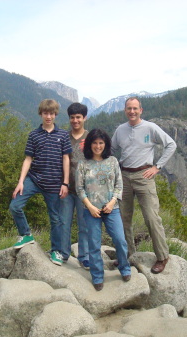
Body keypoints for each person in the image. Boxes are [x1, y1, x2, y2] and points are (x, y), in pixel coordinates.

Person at [111, 97, 177, 274]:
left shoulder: (150, 128)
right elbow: (111, 149)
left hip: (144, 175)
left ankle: (162, 257)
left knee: (151, 217)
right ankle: (127, 255)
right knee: (124, 219)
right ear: (125, 110)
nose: (132, 112)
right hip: (124, 176)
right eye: (128, 109)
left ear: (141, 110)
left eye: (135, 108)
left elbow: (171, 144)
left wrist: (157, 167)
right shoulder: (120, 130)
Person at [9, 99, 72, 266]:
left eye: (51, 113)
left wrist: (65, 183)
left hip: (54, 183)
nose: (49, 116)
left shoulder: (63, 135)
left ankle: (56, 251)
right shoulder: (34, 135)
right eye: (46, 113)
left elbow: (66, 159)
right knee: (15, 206)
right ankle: (26, 234)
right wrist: (20, 182)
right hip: (34, 179)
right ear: (41, 114)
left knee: (55, 219)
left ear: (55, 114)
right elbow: (28, 159)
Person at [76, 128, 131, 291]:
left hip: (111, 209)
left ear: (105, 144)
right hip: (91, 210)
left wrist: (112, 201)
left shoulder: (113, 161)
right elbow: (79, 189)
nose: (98, 146)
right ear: (89, 144)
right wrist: (90, 206)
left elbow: (119, 185)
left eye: (101, 143)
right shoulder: (83, 164)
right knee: (93, 244)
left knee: (120, 240)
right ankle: (97, 276)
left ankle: (125, 268)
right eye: (94, 143)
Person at [60, 102, 90, 269]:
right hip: (66, 188)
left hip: (85, 190)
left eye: (78, 117)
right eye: (72, 117)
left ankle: (84, 256)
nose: (75, 120)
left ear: (84, 118)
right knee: (64, 222)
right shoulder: (64, 137)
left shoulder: (90, 137)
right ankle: (64, 254)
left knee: (84, 224)